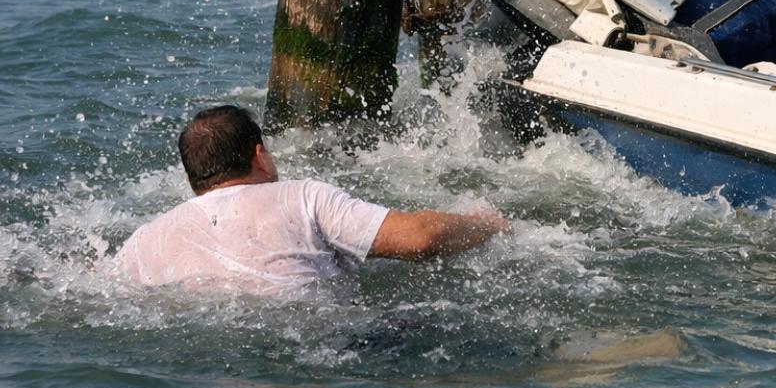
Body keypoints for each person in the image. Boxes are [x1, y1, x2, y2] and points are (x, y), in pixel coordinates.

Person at [116, 105, 509, 293]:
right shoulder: (300, 197)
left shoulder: (146, 240)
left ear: (190, 179)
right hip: (326, 339)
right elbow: (420, 239)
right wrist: (487, 223)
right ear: (260, 156)